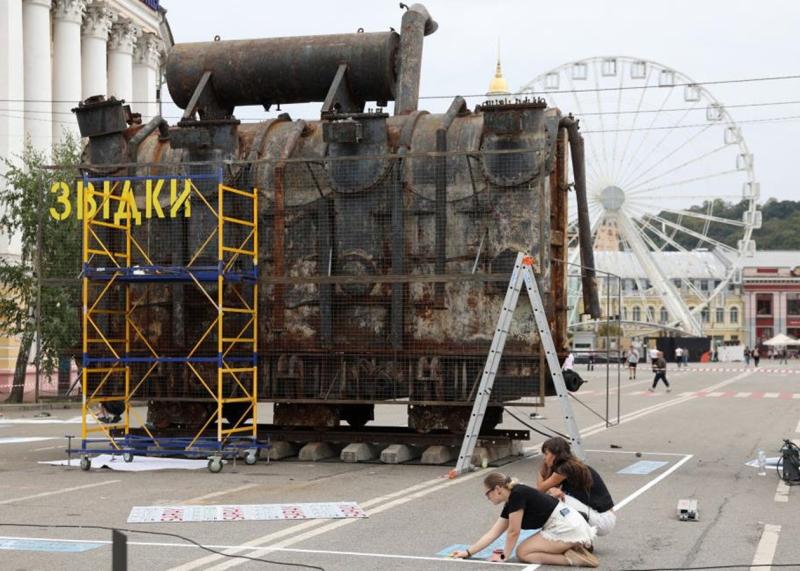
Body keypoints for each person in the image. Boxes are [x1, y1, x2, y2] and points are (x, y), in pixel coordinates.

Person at [451, 472, 598, 567]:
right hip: (568, 522)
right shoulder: (512, 498)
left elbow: (513, 532)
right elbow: (493, 532)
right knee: (524, 550)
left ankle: (573, 559)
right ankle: (571, 547)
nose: (487, 498)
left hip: (566, 527)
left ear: (497, 489)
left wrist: (504, 557)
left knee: (523, 553)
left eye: (487, 494)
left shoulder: (517, 495)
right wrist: (468, 552)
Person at [537, 437, 617, 537]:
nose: (544, 458)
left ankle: (579, 538)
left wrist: (541, 471)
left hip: (603, 520)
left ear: (555, 454)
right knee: (554, 495)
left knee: (554, 499)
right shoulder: (570, 465)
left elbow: (540, 489)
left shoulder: (565, 469)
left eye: (546, 454)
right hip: (600, 517)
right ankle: (577, 537)